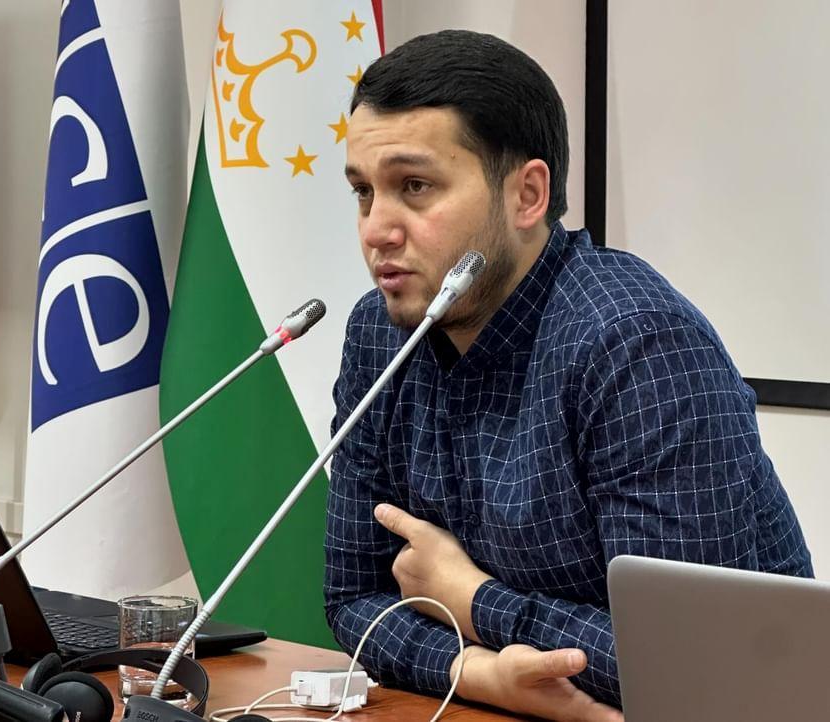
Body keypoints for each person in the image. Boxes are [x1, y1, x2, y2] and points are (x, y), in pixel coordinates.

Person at [324, 29, 812, 721]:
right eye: (363, 192)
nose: (376, 229)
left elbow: (694, 663)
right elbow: (352, 599)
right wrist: (481, 673)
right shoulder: (379, 335)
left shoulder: (637, 345)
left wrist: (473, 600)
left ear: (527, 195)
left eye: (415, 187)